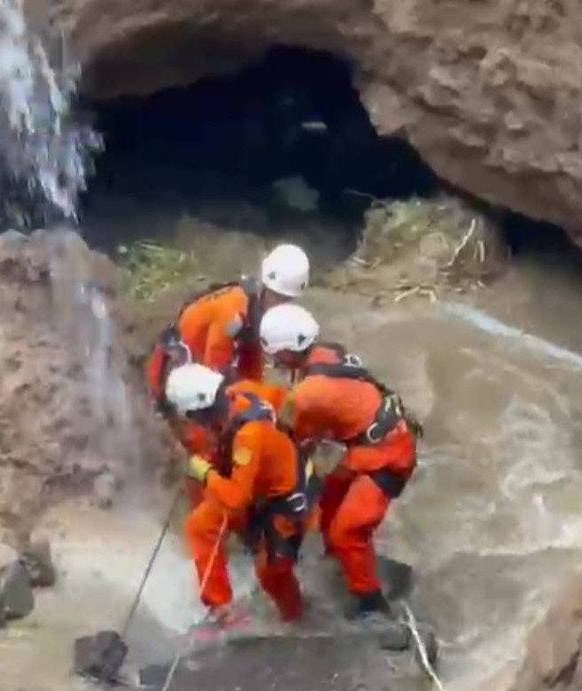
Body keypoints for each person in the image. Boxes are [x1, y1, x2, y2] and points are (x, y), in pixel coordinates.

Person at [259, 304, 422, 617]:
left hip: (389, 454)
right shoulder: (329, 353)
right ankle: (341, 558)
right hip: (376, 440)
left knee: (347, 531)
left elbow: (293, 440)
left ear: (286, 352)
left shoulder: (306, 395)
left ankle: (372, 604)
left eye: (276, 356)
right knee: (332, 493)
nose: (274, 362)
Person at [165, 363, 315, 625]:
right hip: (253, 485)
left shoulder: (248, 435)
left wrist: (206, 473)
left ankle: (297, 617)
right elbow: (284, 399)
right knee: (201, 526)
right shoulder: (238, 397)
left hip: (283, 498)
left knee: (271, 573)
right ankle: (221, 610)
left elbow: (236, 499)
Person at [146, 243, 310, 415]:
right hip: (184, 358)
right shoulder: (233, 313)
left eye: (287, 300)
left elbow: (252, 361)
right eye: (278, 297)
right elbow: (213, 371)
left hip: (207, 355)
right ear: (265, 288)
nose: (281, 306)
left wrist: (256, 397)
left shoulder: (256, 310)